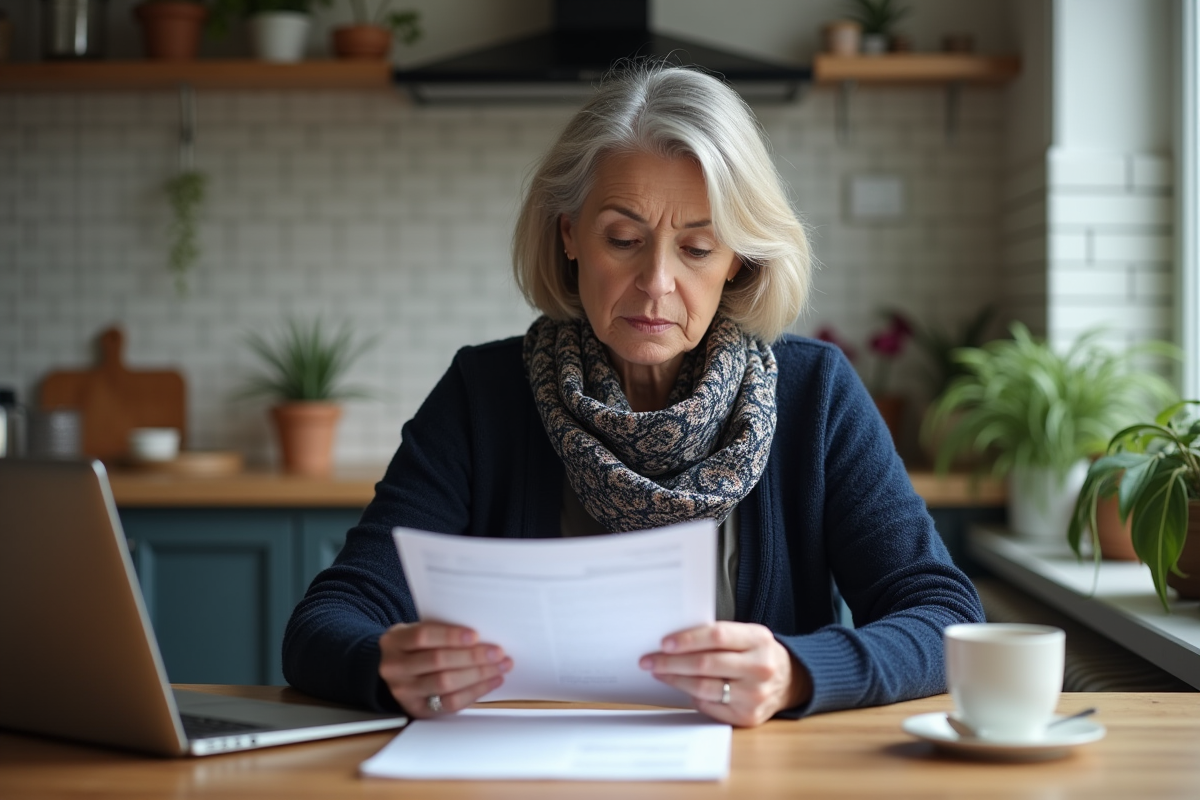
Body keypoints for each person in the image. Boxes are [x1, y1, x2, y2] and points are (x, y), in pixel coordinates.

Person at [283, 64, 985, 728]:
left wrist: (798, 672)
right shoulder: (483, 394)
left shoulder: (816, 394)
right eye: (624, 238)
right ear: (570, 235)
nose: (656, 282)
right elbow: (328, 619)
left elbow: (945, 616)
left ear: (738, 259)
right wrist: (385, 665)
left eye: (697, 249)